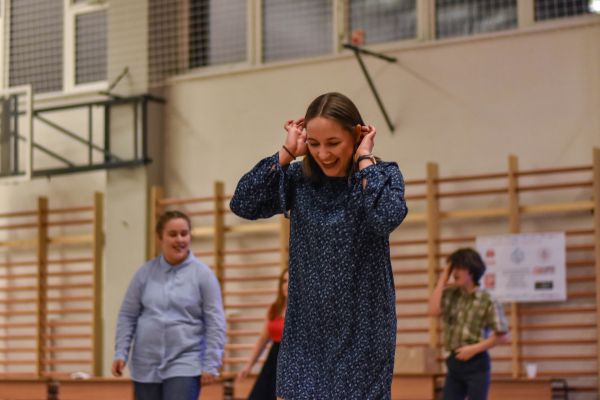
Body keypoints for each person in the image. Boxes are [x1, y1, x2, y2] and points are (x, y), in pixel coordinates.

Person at [230, 92, 408, 399]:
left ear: (356, 134)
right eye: (314, 144)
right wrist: (287, 151)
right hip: (306, 332)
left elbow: (385, 217)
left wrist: (365, 160)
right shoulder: (299, 179)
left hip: (363, 330)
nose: (323, 154)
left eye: (333, 143)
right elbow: (243, 202)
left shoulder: (382, 175)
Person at [112, 210, 226, 400]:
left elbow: (216, 322)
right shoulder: (145, 273)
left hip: (186, 362)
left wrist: (211, 363)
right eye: (173, 234)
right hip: (145, 364)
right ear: (160, 237)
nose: (179, 239)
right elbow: (127, 315)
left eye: (184, 233)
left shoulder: (203, 275)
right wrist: (120, 352)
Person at [428, 248, 509, 400]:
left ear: (471, 271)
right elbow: (432, 311)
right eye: (453, 268)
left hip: (477, 363)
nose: (454, 272)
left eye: (459, 268)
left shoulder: (487, 299)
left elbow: (502, 336)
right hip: (454, 362)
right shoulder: (450, 295)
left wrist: (473, 349)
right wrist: (442, 281)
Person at [237, 268, 289, 400]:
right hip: (273, 360)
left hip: (291, 359)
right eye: (284, 281)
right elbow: (262, 340)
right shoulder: (274, 308)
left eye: (291, 281)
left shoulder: (303, 310)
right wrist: (248, 365)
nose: (286, 285)